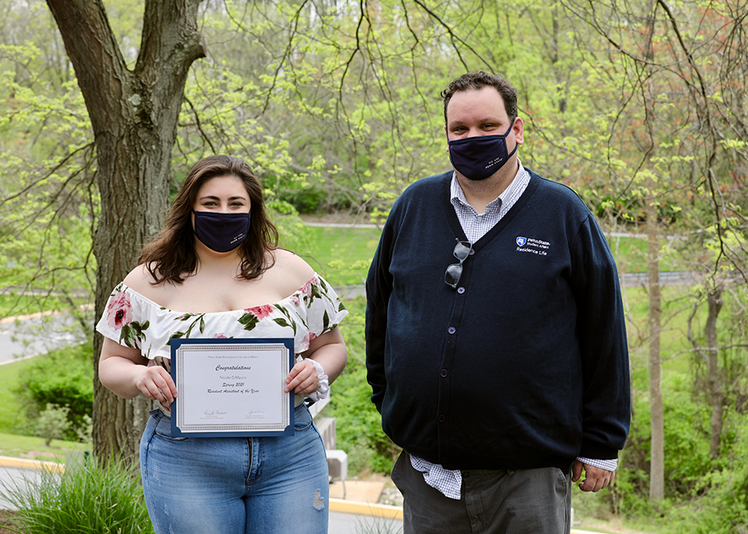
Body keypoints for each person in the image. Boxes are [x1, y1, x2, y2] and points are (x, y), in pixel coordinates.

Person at [365, 71, 631, 533]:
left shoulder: (563, 214)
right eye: (459, 129)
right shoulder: (413, 207)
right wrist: (391, 401)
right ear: (446, 134)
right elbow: (380, 311)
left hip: (526, 479)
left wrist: (602, 442)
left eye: (488, 126)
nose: (473, 138)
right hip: (429, 478)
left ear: (517, 129)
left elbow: (603, 331)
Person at [96, 154, 348, 534]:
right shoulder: (147, 281)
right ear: (190, 210)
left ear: (253, 210)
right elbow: (111, 364)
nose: (224, 212)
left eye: (236, 204)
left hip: (291, 453)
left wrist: (317, 370)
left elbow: (333, 347)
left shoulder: (292, 271)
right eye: (210, 204)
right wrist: (137, 378)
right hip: (186, 460)